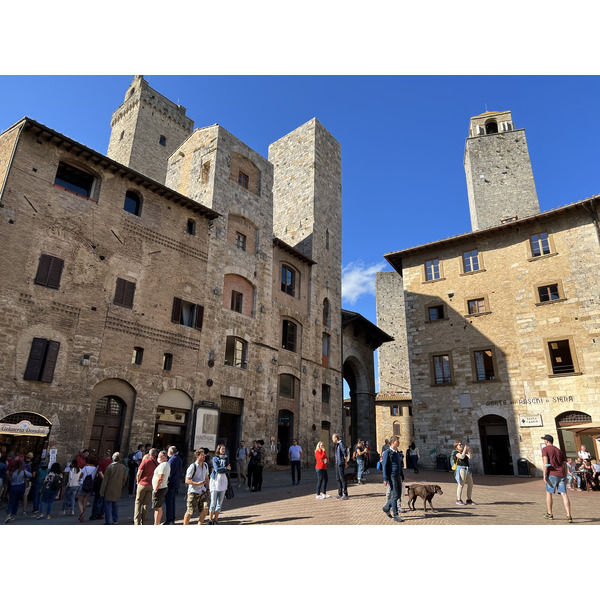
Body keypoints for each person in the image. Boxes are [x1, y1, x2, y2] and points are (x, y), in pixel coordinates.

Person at [541, 434, 573, 522]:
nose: (544, 441)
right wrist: (565, 475)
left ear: (546, 441)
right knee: (564, 494)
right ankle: (569, 515)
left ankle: (550, 513)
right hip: (561, 473)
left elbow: (546, 462)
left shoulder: (545, 449)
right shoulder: (559, 450)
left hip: (552, 474)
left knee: (549, 493)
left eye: (544, 440)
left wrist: (545, 474)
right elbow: (564, 464)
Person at [99, 452, 128, 525]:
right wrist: (121, 486)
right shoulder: (123, 467)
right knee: (115, 505)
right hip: (117, 488)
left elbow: (105, 481)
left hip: (109, 488)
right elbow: (125, 479)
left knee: (108, 505)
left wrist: (102, 491)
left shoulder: (110, 467)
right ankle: (115, 520)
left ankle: (107, 521)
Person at [183, 449, 210, 525]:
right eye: (202, 455)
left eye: (204, 454)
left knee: (206, 508)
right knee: (190, 511)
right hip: (193, 492)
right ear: (197, 456)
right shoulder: (192, 467)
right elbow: (187, 480)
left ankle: (199, 524)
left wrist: (208, 489)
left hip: (202, 491)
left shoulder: (205, 465)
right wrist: (197, 483)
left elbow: (207, 478)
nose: (204, 456)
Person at [382, 435, 404, 522]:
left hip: (398, 475)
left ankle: (386, 507)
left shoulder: (397, 452)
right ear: (393, 442)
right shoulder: (388, 452)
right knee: (395, 495)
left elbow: (400, 465)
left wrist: (402, 475)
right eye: (397, 441)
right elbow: (384, 466)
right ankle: (395, 515)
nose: (398, 442)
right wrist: (385, 478)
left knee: (398, 495)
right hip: (391, 476)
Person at [134, 448, 158, 525]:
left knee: (138, 502)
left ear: (149, 454)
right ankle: (144, 520)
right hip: (151, 485)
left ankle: (137, 521)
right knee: (146, 503)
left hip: (143, 484)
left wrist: (138, 482)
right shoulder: (157, 464)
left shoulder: (145, 461)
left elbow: (139, 473)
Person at [209, 444, 231, 524]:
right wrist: (225, 468)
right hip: (215, 480)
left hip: (223, 480)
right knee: (213, 502)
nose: (224, 450)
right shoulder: (215, 458)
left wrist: (225, 469)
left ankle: (216, 519)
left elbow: (229, 469)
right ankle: (210, 519)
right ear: (219, 449)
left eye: (224, 449)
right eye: (222, 449)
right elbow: (217, 469)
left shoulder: (226, 458)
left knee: (220, 502)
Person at [90, 450, 112, 521]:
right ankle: (101, 513)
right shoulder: (112, 464)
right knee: (105, 499)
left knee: (97, 498)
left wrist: (104, 479)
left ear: (105, 457)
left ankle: (94, 514)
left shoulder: (102, 463)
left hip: (100, 482)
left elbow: (99, 472)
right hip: (109, 483)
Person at [164, 446, 183, 525]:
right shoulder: (179, 459)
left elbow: (169, 473)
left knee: (169, 502)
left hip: (171, 483)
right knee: (172, 501)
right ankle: (172, 518)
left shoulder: (171, 460)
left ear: (170, 452)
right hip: (176, 482)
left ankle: (169, 519)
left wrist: (166, 481)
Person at [454, 441, 475, 506]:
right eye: (459, 445)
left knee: (470, 484)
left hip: (467, 469)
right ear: (456, 447)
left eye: (461, 445)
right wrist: (465, 449)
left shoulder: (464, 452)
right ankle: (458, 499)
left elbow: (470, 457)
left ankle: (469, 499)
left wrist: (468, 450)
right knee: (461, 484)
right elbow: (462, 457)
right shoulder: (455, 452)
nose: (461, 446)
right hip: (461, 469)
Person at [152, 451, 170, 525]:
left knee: (157, 507)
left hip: (160, 488)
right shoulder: (165, 465)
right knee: (159, 506)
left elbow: (160, 478)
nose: (158, 458)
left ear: (164, 457)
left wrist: (156, 489)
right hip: (162, 487)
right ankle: (157, 523)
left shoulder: (163, 466)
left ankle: (156, 523)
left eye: (160, 457)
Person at [77, 456, 98, 522]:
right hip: (90, 485)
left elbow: (81, 475)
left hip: (83, 484)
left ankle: (82, 512)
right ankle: (83, 511)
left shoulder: (85, 468)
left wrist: (80, 479)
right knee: (86, 500)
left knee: (79, 500)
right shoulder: (95, 468)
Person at [332, 433, 349, 500]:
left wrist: (345, 462)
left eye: (333, 438)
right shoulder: (337, 445)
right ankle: (340, 493)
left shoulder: (341, 443)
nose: (332, 439)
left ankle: (345, 494)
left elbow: (344, 452)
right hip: (337, 463)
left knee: (342, 478)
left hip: (340, 463)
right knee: (338, 478)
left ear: (336, 438)